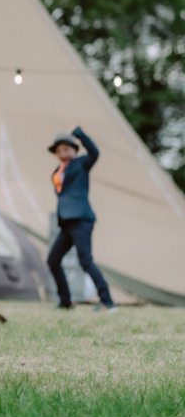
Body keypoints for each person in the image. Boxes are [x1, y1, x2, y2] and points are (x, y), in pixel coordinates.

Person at [47, 128, 117, 312]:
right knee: (53, 260)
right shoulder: (57, 172)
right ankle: (66, 301)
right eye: (59, 150)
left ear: (74, 150)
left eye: (67, 149)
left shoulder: (81, 164)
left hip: (81, 219)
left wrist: (80, 134)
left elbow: (95, 153)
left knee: (85, 260)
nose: (63, 153)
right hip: (66, 222)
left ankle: (107, 302)